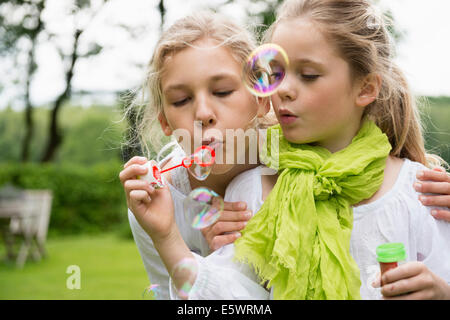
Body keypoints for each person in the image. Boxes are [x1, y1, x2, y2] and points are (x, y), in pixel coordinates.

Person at [122, 0, 450, 300]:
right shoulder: (251, 190)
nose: (285, 90)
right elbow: (237, 298)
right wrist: (168, 237)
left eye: (308, 75)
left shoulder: (420, 192)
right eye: (278, 75)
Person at [119, 11, 277, 299]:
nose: (203, 113)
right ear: (165, 121)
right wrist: (175, 240)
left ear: (261, 98)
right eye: (181, 100)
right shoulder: (156, 200)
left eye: (223, 91)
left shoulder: (291, 167)